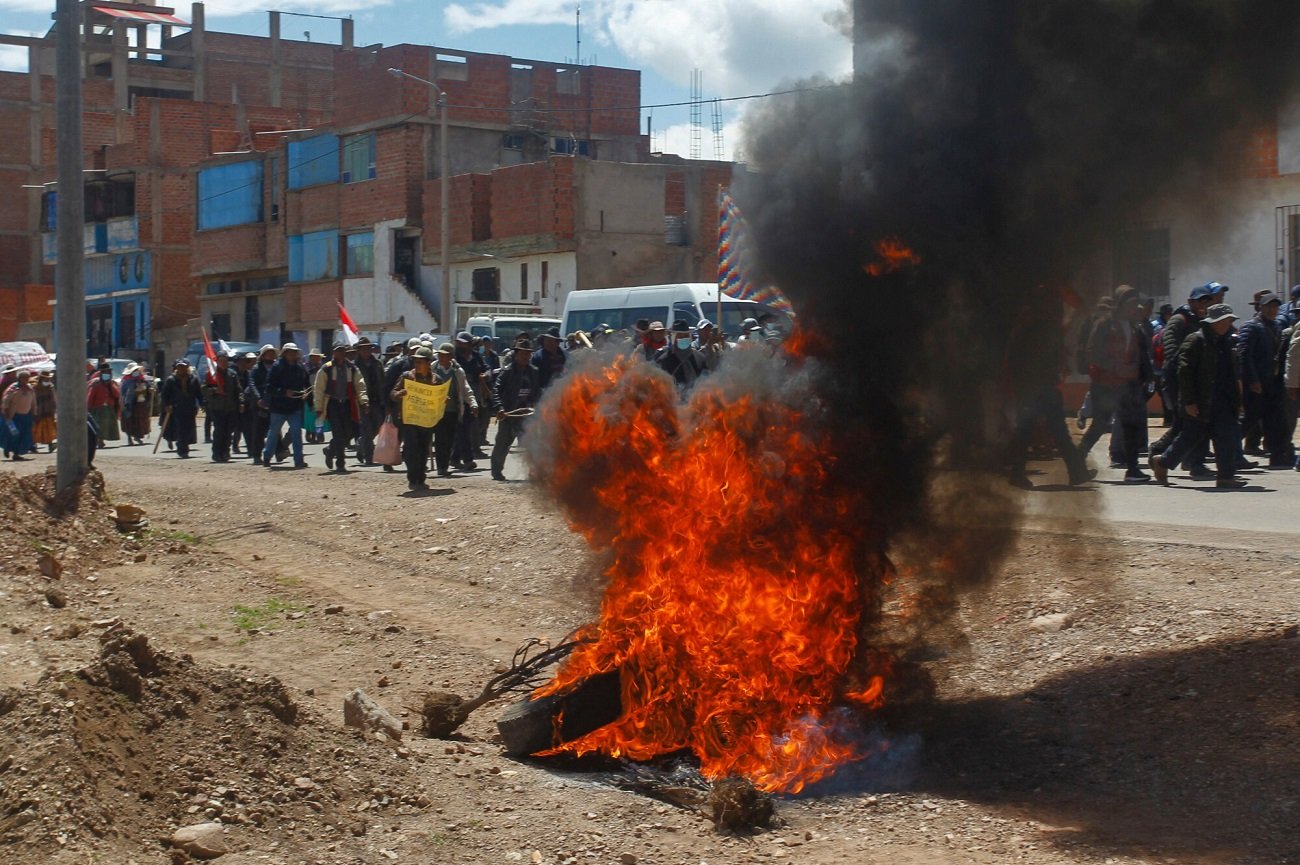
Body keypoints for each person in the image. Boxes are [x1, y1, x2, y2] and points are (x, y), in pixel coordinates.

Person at [1150, 304, 1247, 488]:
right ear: (1214, 322)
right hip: (1202, 401)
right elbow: (1184, 373)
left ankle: (1226, 476)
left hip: (1223, 401)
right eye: (1223, 321)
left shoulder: (1226, 342)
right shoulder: (1195, 341)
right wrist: (1188, 402)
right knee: (1189, 437)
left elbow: (1232, 374)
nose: (1227, 324)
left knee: (1225, 438)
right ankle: (1162, 462)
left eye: (1229, 321)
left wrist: (1237, 400)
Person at [1004, 292, 1092, 488]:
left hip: (1037, 387)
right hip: (1036, 387)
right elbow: (1020, 359)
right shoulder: (1035, 327)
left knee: (1039, 431)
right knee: (1040, 431)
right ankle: (1076, 471)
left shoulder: (1033, 326)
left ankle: (1076, 471)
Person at [1078, 285, 1153, 482]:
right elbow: (1092, 352)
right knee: (1099, 425)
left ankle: (1133, 469)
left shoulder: (1135, 327)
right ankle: (1076, 461)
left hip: (1128, 385)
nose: (1134, 307)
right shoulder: (1104, 324)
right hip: (1105, 385)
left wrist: (1142, 373)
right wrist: (1115, 367)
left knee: (1130, 425)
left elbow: (1139, 353)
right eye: (1130, 303)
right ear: (1119, 304)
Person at [1150, 284, 1215, 478]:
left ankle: (1189, 461)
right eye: (1200, 301)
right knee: (1187, 424)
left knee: (1188, 425)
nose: (1203, 304)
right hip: (1179, 381)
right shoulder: (1179, 320)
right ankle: (1166, 455)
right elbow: (1171, 352)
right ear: (1190, 302)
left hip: (1195, 381)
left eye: (1206, 301)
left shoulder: (1203, 321)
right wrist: (1182, 380)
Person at [1238, 292, 1291, 468]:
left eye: (1275, 306)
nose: (1272, 310)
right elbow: (1245, 356)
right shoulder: (1251, 327)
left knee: (1276, 421)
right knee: (1248, 420)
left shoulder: (1276, 327)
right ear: (1260, 307)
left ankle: (1278, 456)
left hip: (1272, 383)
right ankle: (1230, 452)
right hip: (1256, 384)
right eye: (1269, 306)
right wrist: (1252, 380)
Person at [313, 343, 369, 473]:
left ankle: (330, 450)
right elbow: (319, 389)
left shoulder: (352, 368)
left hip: (347, 404)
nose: (342, 353)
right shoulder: (326, 369)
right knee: (338, 433)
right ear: (333, 352)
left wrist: (364, 402)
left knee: (348, 433)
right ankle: (340, 463)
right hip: (332, 404)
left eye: (343, 350)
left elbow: (360, 386)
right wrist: (318, 407)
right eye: (339, 351)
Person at [490, 337, 540, 481]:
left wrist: (538, 407)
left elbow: (537, 392)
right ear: (516, 354)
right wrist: (499, 408)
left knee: (532, 445)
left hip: (527, 415)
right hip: (509, 414)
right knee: (502, 444)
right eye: (523, 353)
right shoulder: (507, 372)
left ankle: (534, 472)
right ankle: (497, 472)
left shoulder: (533, 372)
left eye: (528, 353)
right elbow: (497, 390)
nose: (526, 356)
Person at [391, 346, 437, 490]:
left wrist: (443, 400)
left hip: (426, 421)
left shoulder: (436, 379)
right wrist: (398, 395)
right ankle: (412, 479)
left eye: (420, 362)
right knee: (411, 450)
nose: (417, 365)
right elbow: (393, 392)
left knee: (423, 449)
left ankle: (421, 479)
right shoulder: (406, 377)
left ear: (428, 363)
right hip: (409, 420)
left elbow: (440, 397)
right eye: (415, 362)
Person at [261, 342, 311, 469]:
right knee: (273, 433)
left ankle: (299, 460)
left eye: (294, 352)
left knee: (296, 433)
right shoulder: (277, 367)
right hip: (278, 407)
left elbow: (306, 384)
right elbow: (269, 387)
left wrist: (306, 395)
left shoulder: (300, 368)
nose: (293, 354)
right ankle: (267, 457)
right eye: (290, 352)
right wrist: (284, 392)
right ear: (285, 353)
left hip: (295, 406)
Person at [432, 342, 478, 477]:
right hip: (437, 412)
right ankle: (441, 467)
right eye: (439, 355)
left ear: (451, 356)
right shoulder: (432, 369)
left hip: (453, 412)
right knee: (440, 439)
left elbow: (465, 389)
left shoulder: (457, 371)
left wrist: (473, 404)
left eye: (444, 355)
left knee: (450, 440)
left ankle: (445, 465)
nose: (441, 358)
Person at [453, 332, 488, 469]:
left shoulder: (476, 357)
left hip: (474, 396)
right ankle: (467, 459)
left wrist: (486, 375)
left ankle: (455, 458)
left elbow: (486, 369)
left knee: (466, 428)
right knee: (463, 429)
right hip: (459, 397)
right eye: (459, 343)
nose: (461, 345)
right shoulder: (454, 358)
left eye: (464, 343)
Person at [202, 351, 242, 463]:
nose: (223, 363)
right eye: (221, 360)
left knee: (228, 431)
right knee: (219, 431)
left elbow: (238, 390)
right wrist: (214, 390)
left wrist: (241, 402)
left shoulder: (232, 374)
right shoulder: (211, 374)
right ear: (217, 361)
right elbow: (204, 389)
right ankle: (217, 453)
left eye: (225, 360)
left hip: (230, 407)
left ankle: (225, 452)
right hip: (216, 407)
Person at [159, 360, 202, 458]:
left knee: (189, 429)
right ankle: (182, 450)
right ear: (176, 368)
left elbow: (198, 393)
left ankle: (183, 444)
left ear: (187, 367)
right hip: (177, 408)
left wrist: (202, 403)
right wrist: (166, 405)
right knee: (181, 429)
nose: (182, 369)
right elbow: (165, 395)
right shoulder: (171, 380)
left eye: (184, 367)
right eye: (179, 367)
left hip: (190, 408)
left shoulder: (193, 379)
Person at [352, 337, 385, 466]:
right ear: (359, 350)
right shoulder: (354, 366)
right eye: (363, 348)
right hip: (362, 401)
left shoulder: (377, 364)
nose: (367, 351)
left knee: (378, 426)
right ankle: (369, 456)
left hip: (377, 400)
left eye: (368, 348)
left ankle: (361, 445)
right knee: (366, 428)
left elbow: (383, 381)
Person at [655, 319, 706, 390]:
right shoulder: (664, 360)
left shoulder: (700, 358)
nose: (683, 338)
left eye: (685, 335)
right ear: (673, 338)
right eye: (680, 336)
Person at [249, 345, 279, 465]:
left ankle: (278, 452)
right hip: (259, 403)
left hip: (274, 402)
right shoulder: (256, 369)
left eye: (272, 353)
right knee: (259, 431)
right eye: (268, 353)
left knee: (274, 429)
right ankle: (256, 455)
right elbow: (252, 385)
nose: (270, 356)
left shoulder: (277, 367)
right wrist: (258, 399)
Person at [1, 370, 37, 460]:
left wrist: (34, 413)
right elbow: (6, 400)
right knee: (14, 434)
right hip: (14, 416)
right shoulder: (13, 388)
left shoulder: (30, 388)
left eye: (27, 378)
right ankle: (7, 448)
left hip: (26, 415)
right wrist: (5, 412)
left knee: (24, 434)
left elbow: (33, 402)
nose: (26, 380)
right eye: (24, 378)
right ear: (19, 378)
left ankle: (16, 454)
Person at [86, 362, 122, 449]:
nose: (107, 374)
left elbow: (117, 395)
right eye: (105, 372)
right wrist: (88, 408)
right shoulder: (96, 383)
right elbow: (90, 396)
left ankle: (101, 439)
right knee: (98, 425)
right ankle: (99, 440)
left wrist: (110, 385)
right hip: (97, 409)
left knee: (106, 426)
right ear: (101, 373)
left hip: (108, 408)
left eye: (108, 372)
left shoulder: (112, 383)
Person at [119, 363, 154, 446]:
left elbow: (148, 388)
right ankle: (129, 438)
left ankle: (137, 436)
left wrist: (151, 389)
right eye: (134, 371)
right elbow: (124, 394)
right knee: (129, 421)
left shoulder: (143, 380)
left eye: (137, 370)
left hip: (140, 404)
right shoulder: (126, 382)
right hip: (131, 404)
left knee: (139, 421)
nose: (136, 372)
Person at [531, 327, 568, 392]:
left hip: (563, 390)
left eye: (551, 341)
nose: (548, 343)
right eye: (546, 340)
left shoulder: (565, 355)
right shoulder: (538, 357)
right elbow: (533, 378)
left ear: (557, 343)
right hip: (545, 392)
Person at [303, 348, 327, 443]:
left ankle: (319, 433)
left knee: (319, 416)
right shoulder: (306, 368)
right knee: (310, 417)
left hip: (320, 393)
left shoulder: (322, 368)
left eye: (318, 357)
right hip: (309, 394)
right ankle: (310, 433)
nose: (316, 359)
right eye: (314, 357)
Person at [31, 370, 56, 453]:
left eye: (48, 379)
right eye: (46, 379)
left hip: (48, 411)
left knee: (49, 429)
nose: (47, 381)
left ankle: (50, 444)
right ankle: (34, 445)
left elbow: (53, 399)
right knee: (36, 429)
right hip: (38, 411)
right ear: (41, 379)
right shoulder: (35, 388)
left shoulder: (50, 387)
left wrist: (54, 408)